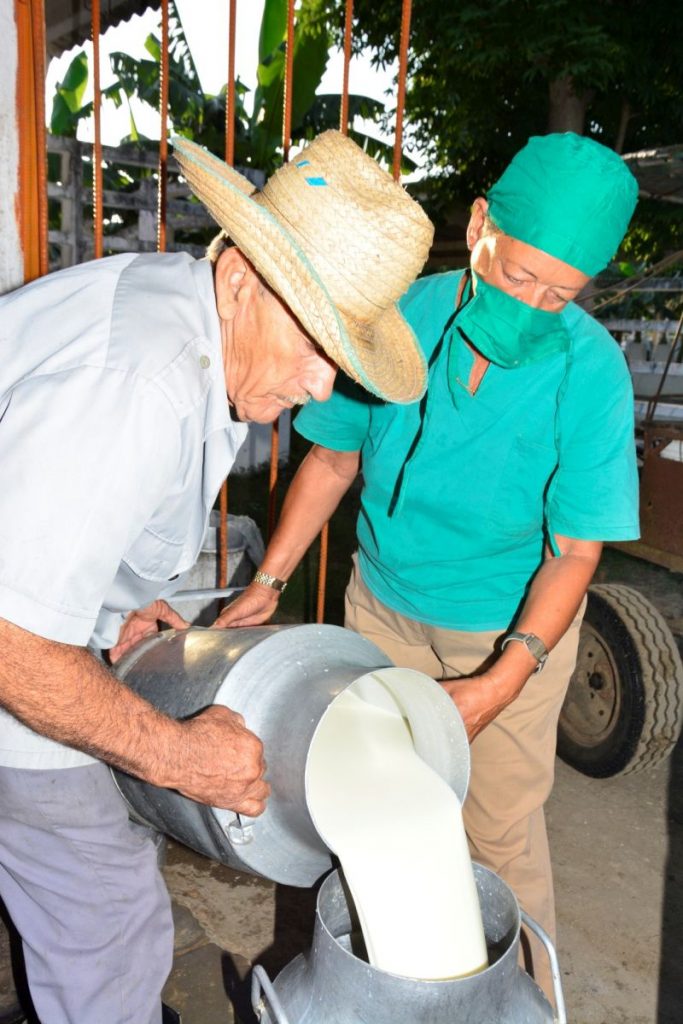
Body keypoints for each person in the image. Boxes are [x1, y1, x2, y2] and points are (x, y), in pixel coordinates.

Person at [0, 130, 434, 1024]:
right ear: (240, 272)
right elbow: (11, 642)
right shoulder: (145, 379)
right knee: (110, 923)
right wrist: (180, 756)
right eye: (315, 344)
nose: (322, 386)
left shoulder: (197, 326)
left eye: (340, 361)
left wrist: (114, 603)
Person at [216, 132, 640, 1001]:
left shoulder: (589, 371)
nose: (531, 305)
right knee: (361, 806)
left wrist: (500, 680)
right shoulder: (397, 317)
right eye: (517, 275)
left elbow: (575, 552)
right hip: (382, 610)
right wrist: (265, 582)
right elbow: (331, 463)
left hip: (515, 628)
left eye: (560, 294)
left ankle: (524, 1006)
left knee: (501, 837)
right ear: (480, 222)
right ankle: (370, 995)